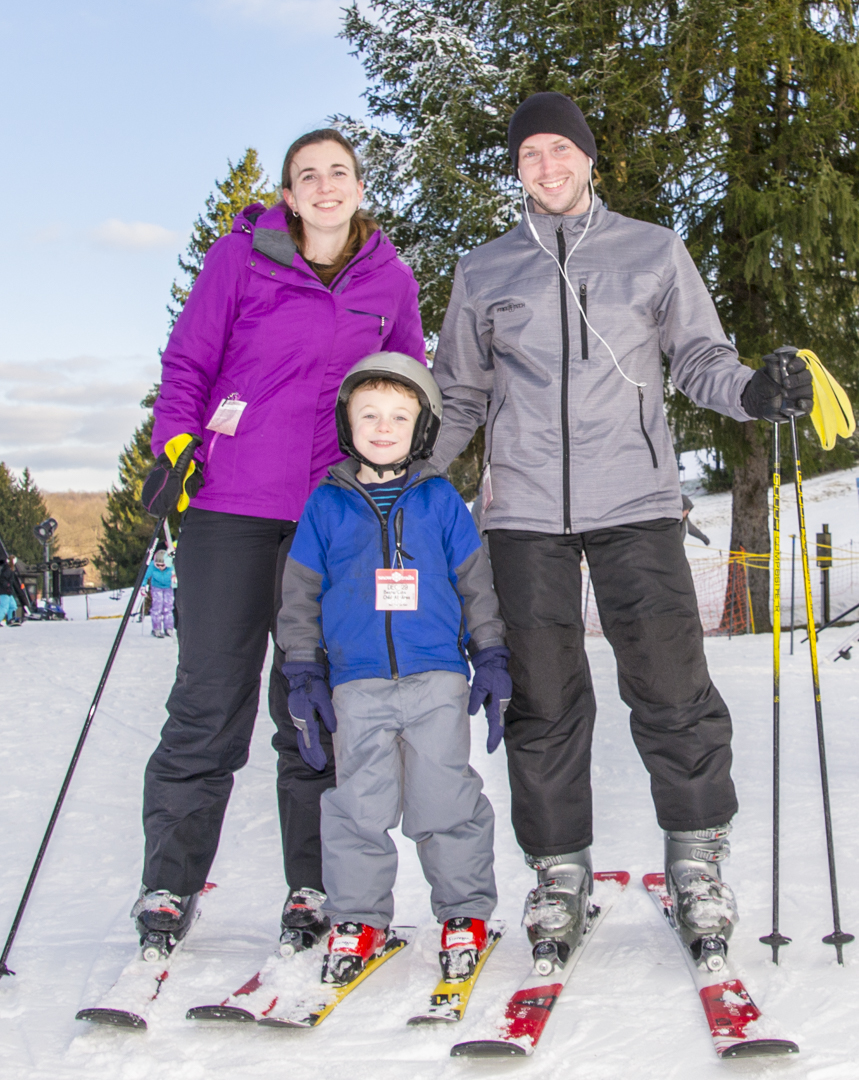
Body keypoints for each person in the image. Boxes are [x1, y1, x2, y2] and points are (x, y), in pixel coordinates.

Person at [431, 92, 813, 969]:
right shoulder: (484, 270)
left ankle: (696, 858)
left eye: (560, 149)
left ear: (589, 159)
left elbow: (700, 359)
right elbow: (459, 394)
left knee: (673, 690)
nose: (546, 167)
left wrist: (753, 390)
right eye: (530, 155)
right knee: (541, 703)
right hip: (522, 514)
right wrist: (407, 470)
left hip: (636, 504)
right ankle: (558, 871)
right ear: (516, 169)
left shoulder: (651, 249)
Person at [133, 129, 425, 962]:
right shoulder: (240, 260)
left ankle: (316, 882)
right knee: (209, 698)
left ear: (358, 188)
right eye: (308, 176)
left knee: (314, 707)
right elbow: (188, 362)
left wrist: (400, 485)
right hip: (232, 507)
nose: (325, 187)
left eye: (339, 172)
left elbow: (405, 389)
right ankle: (170, 883)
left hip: (333, 519)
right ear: (289, 196)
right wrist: (175, 449)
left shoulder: (389, 280)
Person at [277, 353, 511, 984]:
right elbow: (299, 595)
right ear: (346, 422)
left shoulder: (439, 501)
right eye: (369, 414)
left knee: (445, 798)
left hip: (436, 678)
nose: (383, 427)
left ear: (423, 428)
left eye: (400, 416)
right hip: (357, 684)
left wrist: (489, 653)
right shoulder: (326, 506)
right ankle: (358, 917)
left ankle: (464, 911)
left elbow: (475, 586)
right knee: (357, 803)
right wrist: (303, 672)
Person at [142, 548, 176, 637]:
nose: (160, 567)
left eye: (162, 565)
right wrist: (143, 586)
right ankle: (156, 628)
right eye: (158, 565)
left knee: (168, 607)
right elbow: (145, 576)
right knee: (157, 606)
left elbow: (177, 575)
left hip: (168, 587)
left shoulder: (171, 566)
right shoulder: (152, 566)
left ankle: (169, 628)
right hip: (156, 587)